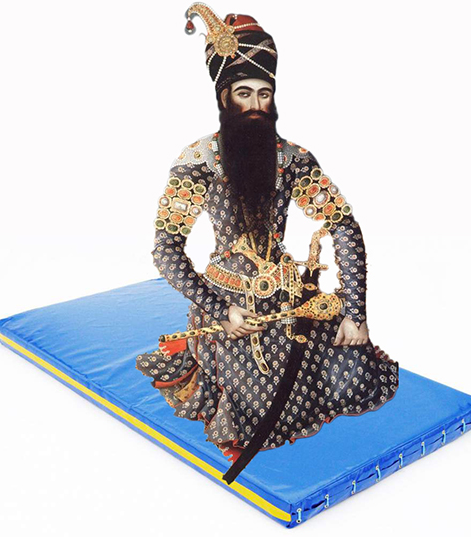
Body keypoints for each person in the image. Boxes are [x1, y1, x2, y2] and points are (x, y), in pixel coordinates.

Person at [136, 4, 399, 482]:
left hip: (289, 294)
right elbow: (166, 249)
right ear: (224, 97)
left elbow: (343, 223)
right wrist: (219, 311)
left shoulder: (293, 158)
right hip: (229, 303)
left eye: (264, 93)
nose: (256, 104)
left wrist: (355, 309)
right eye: (244, 93)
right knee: (256, 400)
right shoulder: (198, 159)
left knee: (353, 370)